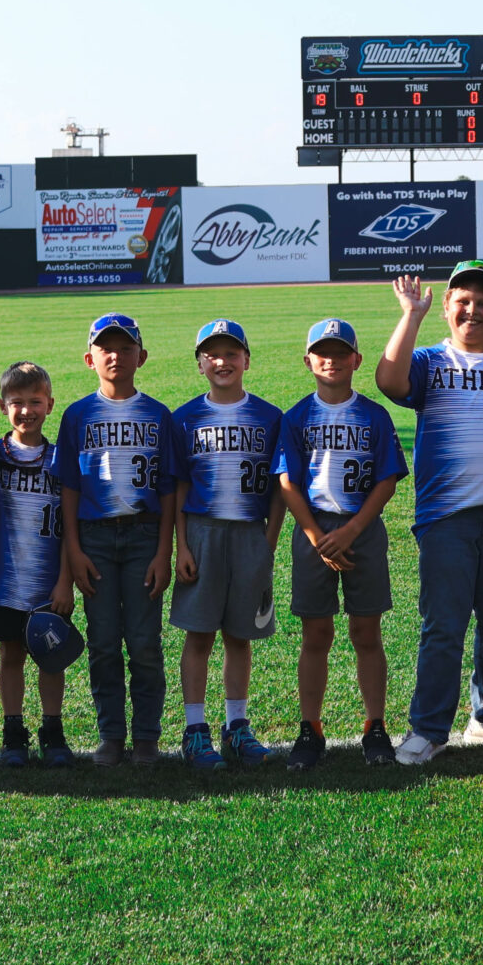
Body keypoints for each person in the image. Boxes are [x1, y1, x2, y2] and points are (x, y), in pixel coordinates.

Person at [375, 261, 483, 765]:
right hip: (447, 518)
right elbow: (389, 381)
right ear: (448, 309)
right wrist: (410, 316)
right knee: (443, 627)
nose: (473, 310)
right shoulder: (429, 360)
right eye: (463, 301)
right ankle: (429, 728)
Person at [275, 317, 404, 769]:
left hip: (360, 529)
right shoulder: (296, 416)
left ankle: (375, 725)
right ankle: (310, 727)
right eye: (322, 353)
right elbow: (288, 483)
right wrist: (316, 536)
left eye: (340, 353)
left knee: (367, 631)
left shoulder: (373, 414)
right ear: (308, 361)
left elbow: (387, 479)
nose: (331, 360)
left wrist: (351, 531)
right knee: (316, 633)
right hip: (313, 530)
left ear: (356, 360)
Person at [55, 313, 179, 765]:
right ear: (89, 359)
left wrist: (164, 551)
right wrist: (73, 550)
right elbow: (69, 488)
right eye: (106, 348)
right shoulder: (77, 415)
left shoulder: (158, 414)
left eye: (126, 348)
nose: (116, 355)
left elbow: (168, 489)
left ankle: (146, 735)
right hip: (95, 539)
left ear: (141, 357)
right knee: (103, 640)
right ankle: (111, 734)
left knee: (144, 642)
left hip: (145, 535)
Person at [166, 318, 285, 769]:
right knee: (199, 634)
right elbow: (178, 486)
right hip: (202, 531)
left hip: (250, 531)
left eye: (232, 353)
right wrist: (182, 545)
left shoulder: (270, 417)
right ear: (199, 364)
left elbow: (279, 488)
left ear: (247, 361)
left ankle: (237, 726)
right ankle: (195, 729)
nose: (222, 361)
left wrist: (268, 542)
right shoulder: (185, 417)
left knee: (240, 635)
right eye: (212, 355)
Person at [0, 362, 75, 767]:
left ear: (50, 405)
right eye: (17, 402)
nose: (26, 410)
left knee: (52, 658)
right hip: (7, 581)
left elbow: (72, 526)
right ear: (3, 406)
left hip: (50, 582)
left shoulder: (61, 458)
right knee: (11, 655)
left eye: (35, 401)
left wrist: (66, 581)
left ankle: (53, 730)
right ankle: (13, 731)